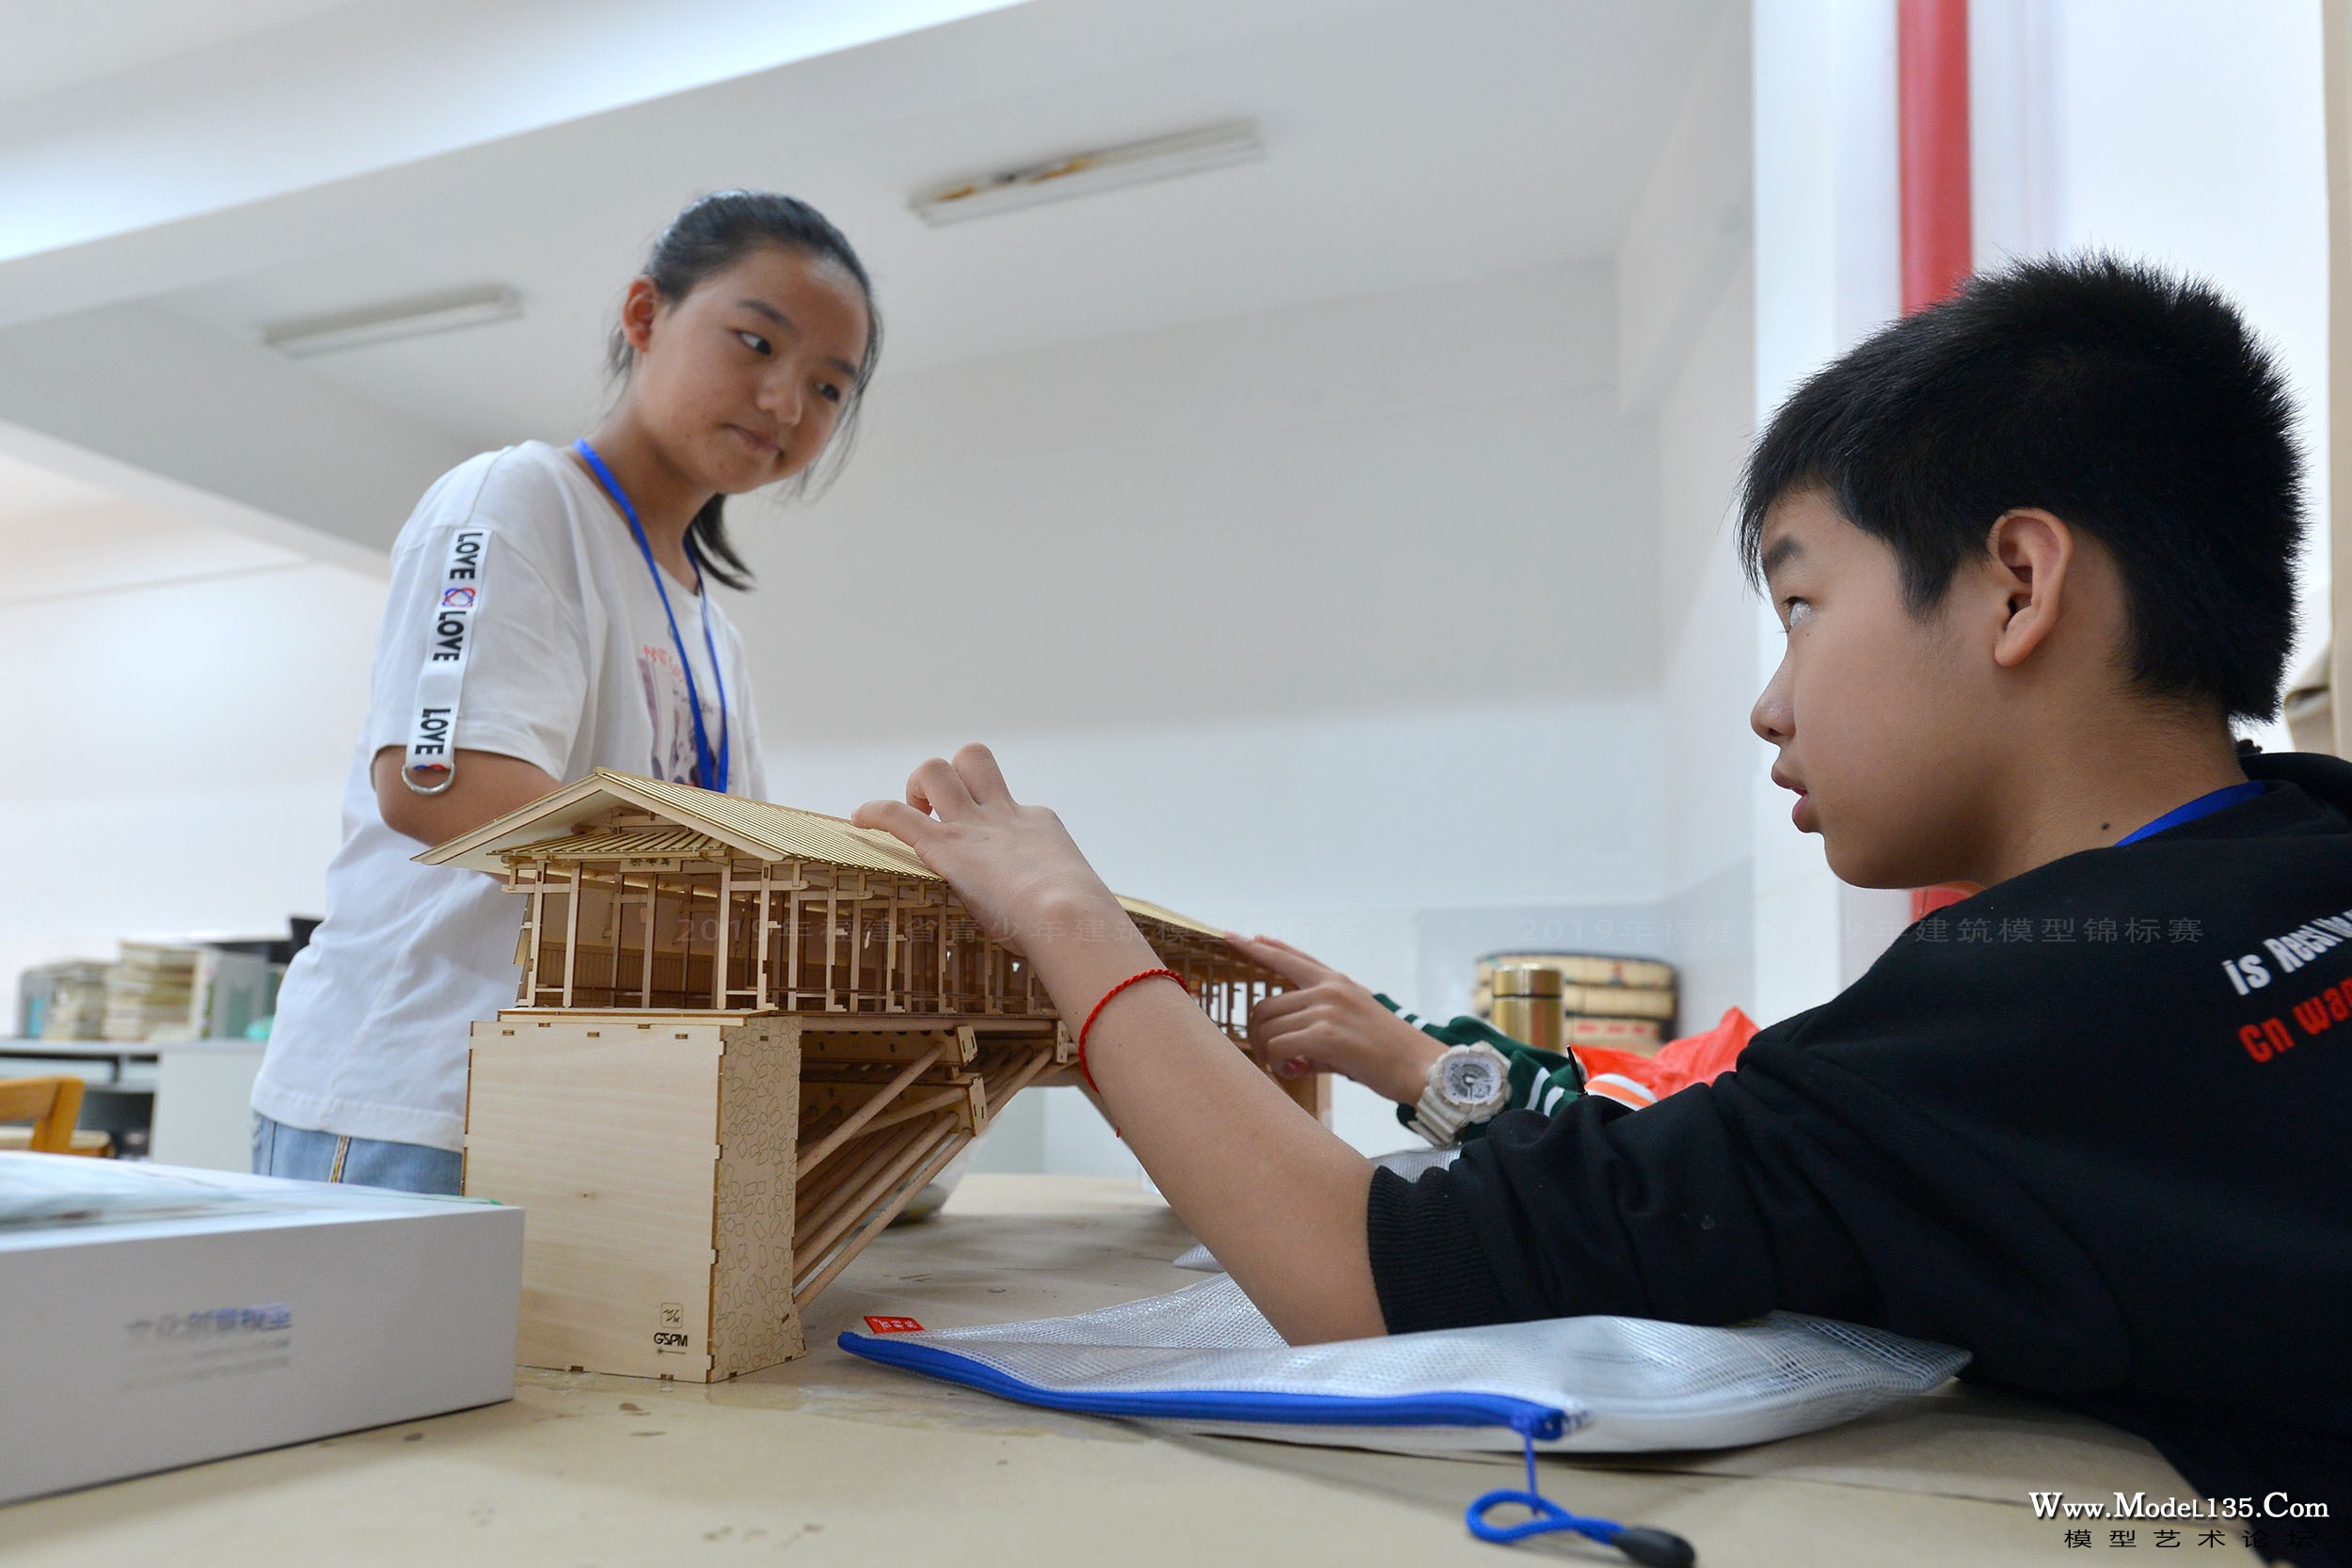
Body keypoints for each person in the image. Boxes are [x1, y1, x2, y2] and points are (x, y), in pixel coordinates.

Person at [850, 257, 2348, 1562]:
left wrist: (1066, 916)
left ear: (2016, 584)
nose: (1770, 704)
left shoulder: (2005, 1019)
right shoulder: (2302, 847)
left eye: (1803, 605)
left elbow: (1367, 1279)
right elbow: (1674, 1167)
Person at [251, 191, 881, 1195]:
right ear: (645, 317)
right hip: (412, 1099)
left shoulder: (712, 630)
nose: (783, 404)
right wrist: (752, 882)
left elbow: (733, 869)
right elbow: (437, 782)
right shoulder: (516, 497)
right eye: (755, 343)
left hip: (580, 1112)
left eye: (828, 389)